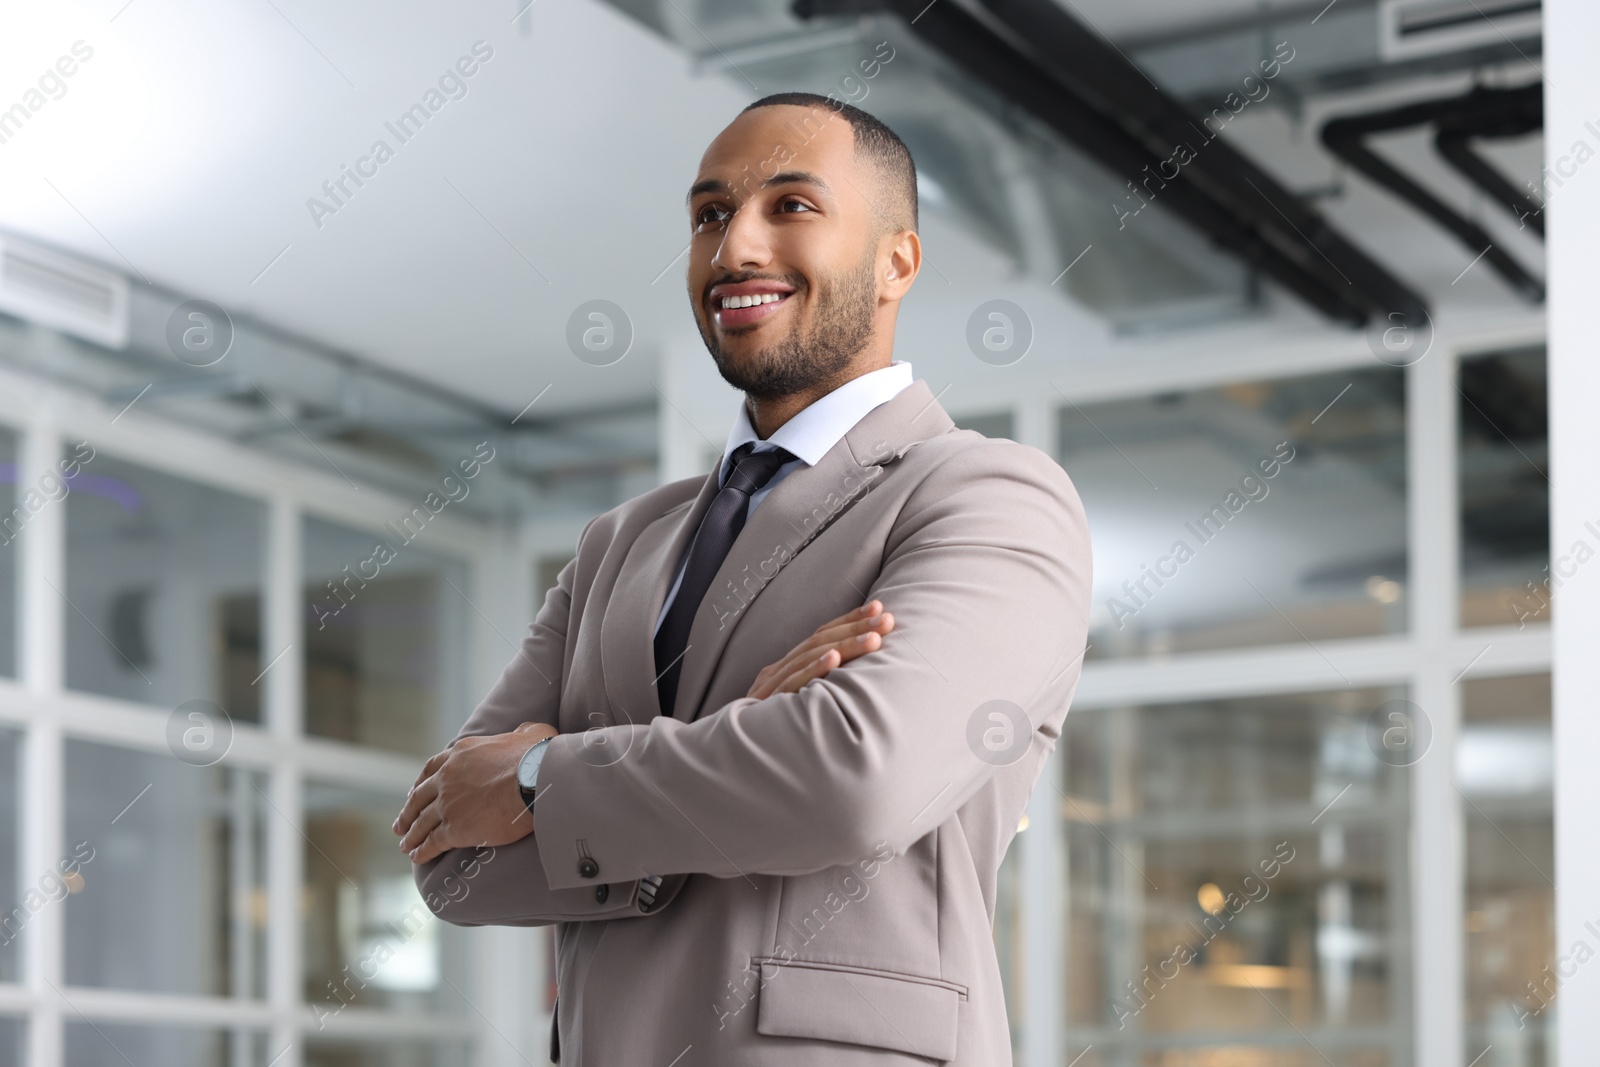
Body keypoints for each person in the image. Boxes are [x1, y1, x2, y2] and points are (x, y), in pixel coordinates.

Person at [392, 91, 1092, 1065]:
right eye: (710, 215)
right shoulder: (618, 542)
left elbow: (853, 781)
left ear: (898, 259)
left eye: (791, 206)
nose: (735, 251)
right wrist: (745, 745)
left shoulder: (987, 495)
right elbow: (450, 863)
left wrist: (541, 774)